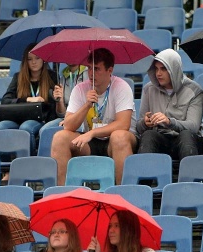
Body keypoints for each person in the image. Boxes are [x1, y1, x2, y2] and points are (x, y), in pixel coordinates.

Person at [50, 48, 137, 186]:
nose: (91, 73)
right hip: (91, 141)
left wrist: (92, 133)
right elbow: (68, 125)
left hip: (117, 140)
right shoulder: (80, 88)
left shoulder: (121, 87)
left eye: (96, 69)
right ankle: (64, 195)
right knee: (60, 138)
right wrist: (86, 105)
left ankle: (123, 193)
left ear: (110, 71)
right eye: (89, 68)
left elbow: (123, 124)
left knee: (119, 137)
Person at [136, 49, 203, 160]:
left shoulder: (195, 90)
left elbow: (193, 127)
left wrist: (169, 122)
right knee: (148, 135)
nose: (158, 73)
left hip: (186, 139)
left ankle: (189, 176)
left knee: (186, 135)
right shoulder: (149, 89)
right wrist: (145, 123)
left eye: (163, 69)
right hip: (160, 138)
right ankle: (146, 176)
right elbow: (138, 127)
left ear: (174, 69)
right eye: (156, 69)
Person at [0, 43, 65, 143]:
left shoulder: (52, 77)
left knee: (26, 127)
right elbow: (5, 100)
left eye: (37, 58)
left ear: (43, 60)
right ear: (25, 61)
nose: (33, 62)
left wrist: (57, 98)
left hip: (41, 119)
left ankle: (29, 157)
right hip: (18, 118)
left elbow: (54, 108)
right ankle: (4, 157)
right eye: (29, 59)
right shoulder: (18, 77)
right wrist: (28, 99)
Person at [39, 63, 89, 137]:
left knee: (72, 130)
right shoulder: (63, 78)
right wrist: (60, 101)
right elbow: (61, 114)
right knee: (44, 131)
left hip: (84, 118)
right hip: (66, 118)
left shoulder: (89, 74)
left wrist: (70, 120)